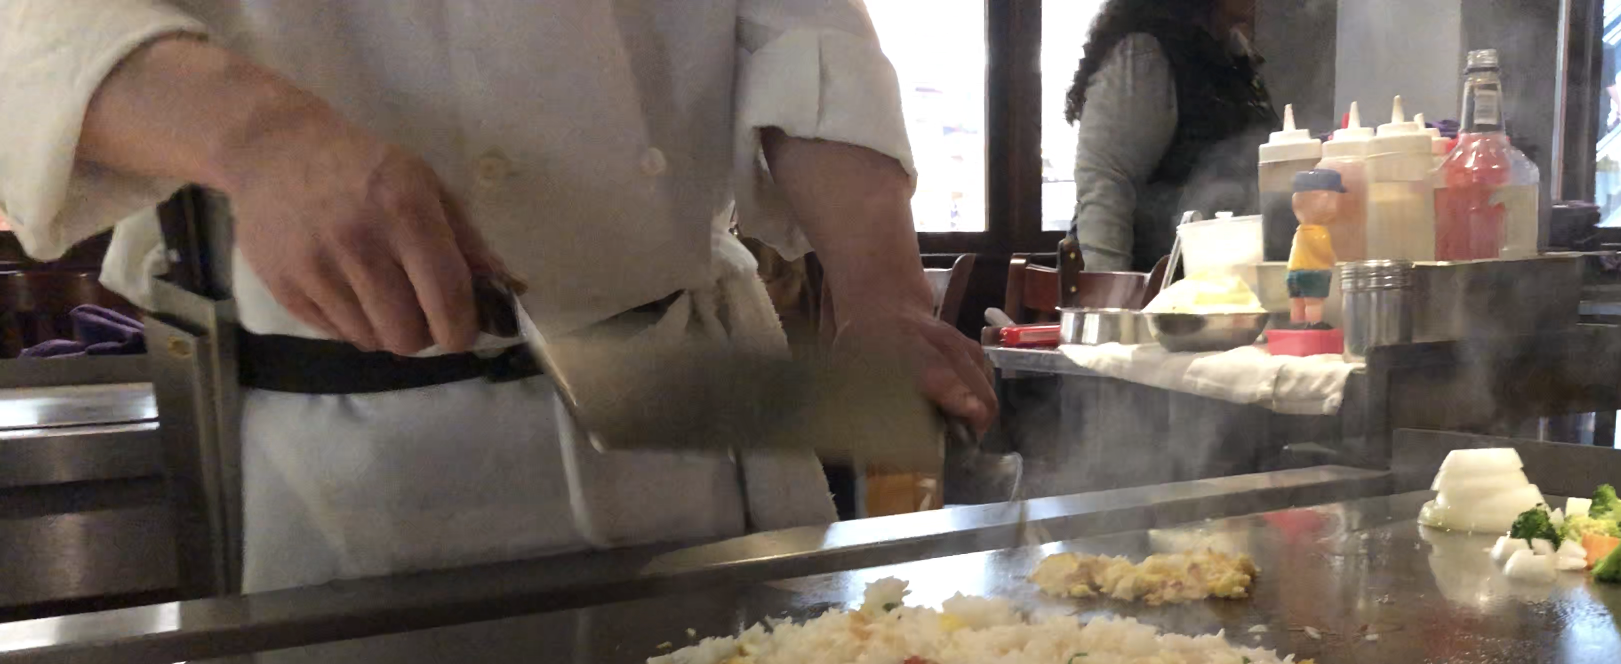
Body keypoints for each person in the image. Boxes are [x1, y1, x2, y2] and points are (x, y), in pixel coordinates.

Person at [0, 1, 996, 592]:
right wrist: (257, 136)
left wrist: (881, 293)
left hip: (697, 424)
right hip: (348, 463)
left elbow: (799, 27)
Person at [1066, 0, 1278, 273]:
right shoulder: (1145, 55)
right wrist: (1110, 293)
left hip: (1216, 281)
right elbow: (1107, 186)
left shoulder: (1233, 58)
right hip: (1159, 287)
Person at [1286, 170, 1342, 328]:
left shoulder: (1300, 230)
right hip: (1314, 273)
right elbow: (1323, 253)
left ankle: (1296, 325)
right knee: (1313, 303)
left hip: (1293, 272)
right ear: (1323, 200)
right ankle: (1314, 325)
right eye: (1334, 199)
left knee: (1297, 302)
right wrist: (1332, 260)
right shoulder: (1318, 232)